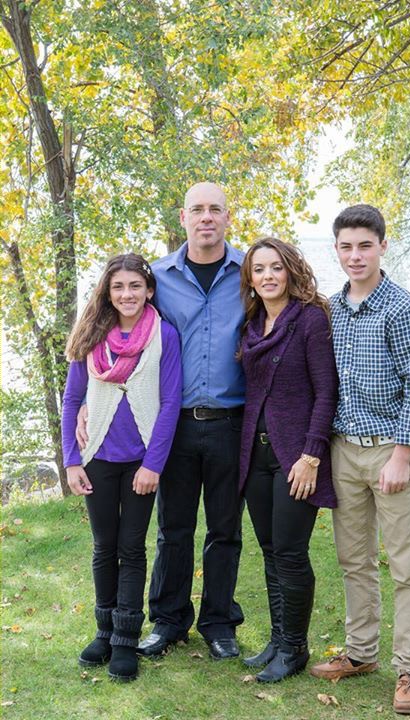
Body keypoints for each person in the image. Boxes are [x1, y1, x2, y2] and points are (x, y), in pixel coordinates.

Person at [75, 183, 246, 659]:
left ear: (227, 217)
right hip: (173, 425)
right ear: (183, 217)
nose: (206, 217)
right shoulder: (161, 277)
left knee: (225, 528)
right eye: (197, 210)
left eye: (215, 209)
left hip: (232, 418)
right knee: (174, 526)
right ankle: (168, 621)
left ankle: (218, 622)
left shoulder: (249, 270)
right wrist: (94, 395)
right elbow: (121, 333)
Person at [309, 205, 410, 715]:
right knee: (354, 561)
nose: (355, 255)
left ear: (383, 245)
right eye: (346, 246)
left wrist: (403, 453)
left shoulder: (403, 309)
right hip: (344, 450)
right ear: (336, 250)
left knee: (407, 566)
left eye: (365, 245)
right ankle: (361, 653)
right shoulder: (332, 309)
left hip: (391, 449)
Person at [62, 253, 182, 681]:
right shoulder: (92, 335)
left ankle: (126, 639)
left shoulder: (164, 336)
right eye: (118, 287)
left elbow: (170, 403)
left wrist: (154, 464)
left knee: (132, 548)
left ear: (149, 290)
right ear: (107, 292)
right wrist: (72, 461)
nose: (127, 294)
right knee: (103, 547)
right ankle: (104, 630)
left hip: (140, 460)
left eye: (135, 286)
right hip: (97, 458)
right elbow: (73, 399)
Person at [238, 237, 338, 682]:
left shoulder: (310, 319)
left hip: (296, 455)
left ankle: (296, 648)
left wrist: (312, 455)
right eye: (259, 269)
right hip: (255, 453)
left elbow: (326, 391)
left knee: (291, 553)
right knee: (269, 550)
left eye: (276, 267)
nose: (268, 276)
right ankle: (279, 639)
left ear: (291, 270)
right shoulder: (252, 324)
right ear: (250, 279)